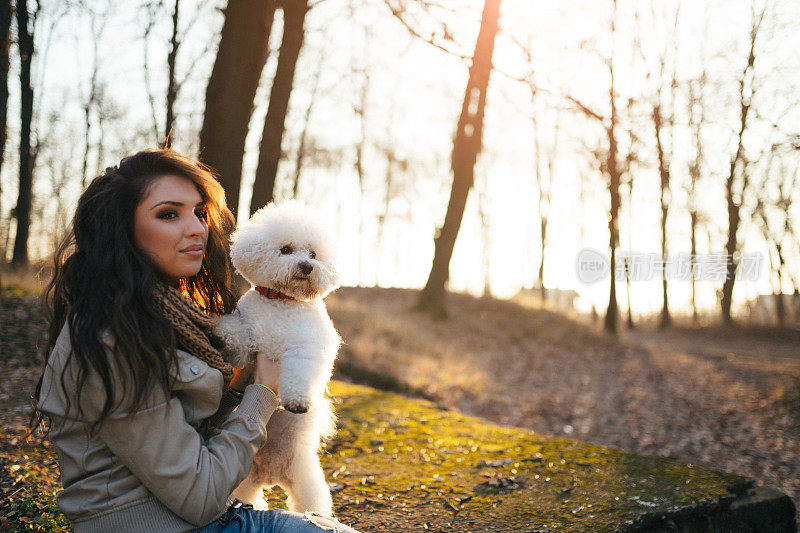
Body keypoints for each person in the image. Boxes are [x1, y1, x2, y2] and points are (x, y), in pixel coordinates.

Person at [29, 148, 361, 533]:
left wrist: (239, 386)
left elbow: (186, 439)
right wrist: (264, 394)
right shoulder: (114, 337)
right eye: (169, 214)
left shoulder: (161, 314)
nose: (196, 228)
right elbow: (199, 498)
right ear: (121, 230)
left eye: (198, 213)